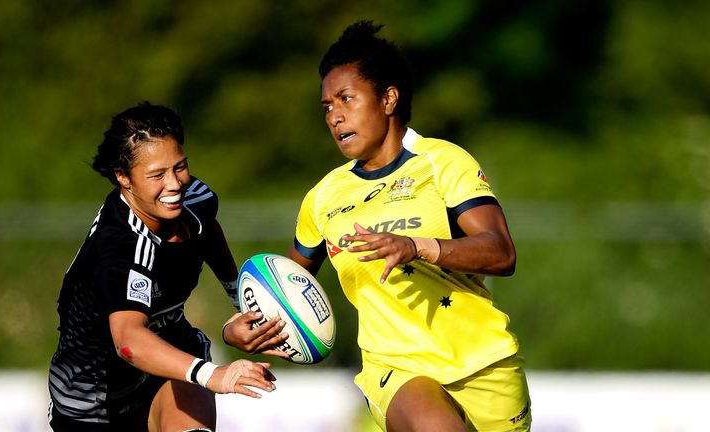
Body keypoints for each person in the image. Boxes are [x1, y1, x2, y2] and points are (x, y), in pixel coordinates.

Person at [287, 21, 531, 431]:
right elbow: (286, 287)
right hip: (394, 369)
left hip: (485, 367)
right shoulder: (323, 197)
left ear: (388, 99)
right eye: (327, 106)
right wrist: (246, 323)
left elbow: (501, 252)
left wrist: (416, 246)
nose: (334, 116)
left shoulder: (442, 162)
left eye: (346, 99)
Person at [48, 102, 289, 432]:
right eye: (157, 175)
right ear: (123, 178)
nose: (175, 184)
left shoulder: (194, 198)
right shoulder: (119, 246)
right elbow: (129, 341)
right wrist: (214, 374)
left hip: (170, 359)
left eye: (180, 166)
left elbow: (207, 229)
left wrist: (242, 303)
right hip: (94, 401)